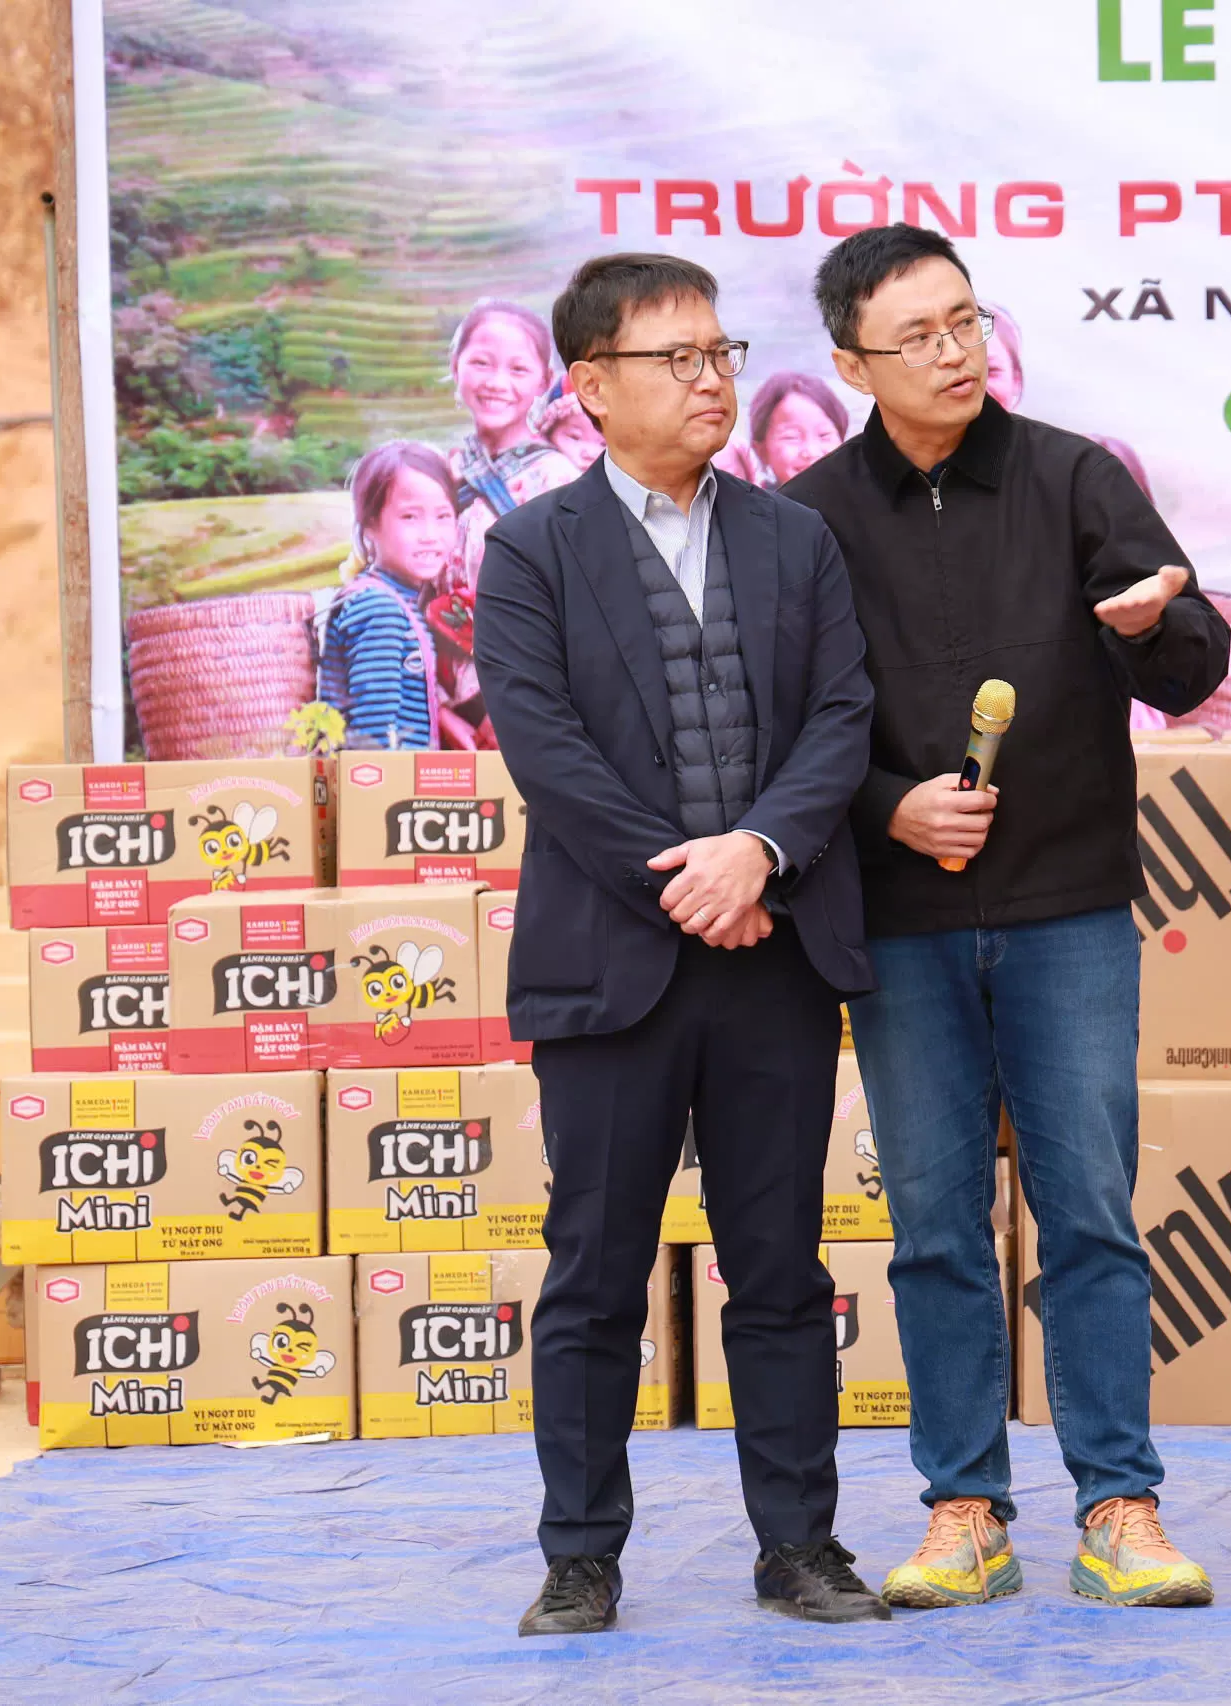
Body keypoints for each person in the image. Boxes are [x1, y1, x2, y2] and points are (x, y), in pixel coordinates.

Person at [784, 225, 1230, 1611]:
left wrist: (1152, 625)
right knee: (933, 1225)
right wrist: (888, 809)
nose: (953, 352)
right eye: (916, 335)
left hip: (1067, 909)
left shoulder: (1074, 477)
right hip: (901, 921)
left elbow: (1195, 668)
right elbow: (784, 733)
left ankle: (1121, 1505)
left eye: (966, 321)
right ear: (851, 363)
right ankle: (964, 1506)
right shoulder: (806, 519)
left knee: (1089, 1211)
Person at [475, 253, 886, 1635]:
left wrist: (757, 851)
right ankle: (581, 1553)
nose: (713, 380)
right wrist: (690, 879)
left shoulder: (793, 539)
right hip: (612, 969)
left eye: (722, 353)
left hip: (773, 953)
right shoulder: (532, 551)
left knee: (779, 1267)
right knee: (595, 1273)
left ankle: (800, 1545)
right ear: (591, 386)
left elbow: (840, 717)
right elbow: (548, 751)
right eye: (678, 358)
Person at [447, 302, 581, 745]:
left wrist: (513, 706)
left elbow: (576, 611)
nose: (496, 382)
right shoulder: (444, 474)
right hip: (439, 701)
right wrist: (442, 708)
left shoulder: (557, 481)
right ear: (455, 365)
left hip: (525, 707)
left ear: (543, 381)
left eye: (518, 369)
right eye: (481, 363)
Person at [318, 441, 460, 752]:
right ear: (370, 524)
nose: (430, 535)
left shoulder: (402, 599)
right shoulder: (380, 609)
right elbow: (373, 733)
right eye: (410, 517)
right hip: (384, 778)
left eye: (443, 516)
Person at [749, 371, 850, 487]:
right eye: (792, 437)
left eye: (824, 435)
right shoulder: (752, 498)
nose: (812, 452)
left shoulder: (861, 494)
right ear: (761, 451)